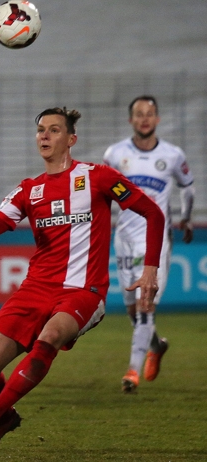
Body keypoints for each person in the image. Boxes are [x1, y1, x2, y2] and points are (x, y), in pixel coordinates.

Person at [0, 107, 164, 453]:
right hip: (36, 289)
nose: (45, 136)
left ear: (71, 139)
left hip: (85, 290)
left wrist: (150, 271)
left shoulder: (99, 177)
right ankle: (5, 417)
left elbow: (152, 213)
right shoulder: (29, 190)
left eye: (53, 130)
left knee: (49, 337)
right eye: (40, 130)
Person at [103, 95, 195, 393]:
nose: (144, 118)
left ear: (157, 119)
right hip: (125, 241)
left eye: (150, 113)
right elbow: (103, 193)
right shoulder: (115, 155)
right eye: (139, 114)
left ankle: (132, 371)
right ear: (131, 120)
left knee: (146, 306)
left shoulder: (172, 155)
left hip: (157, 242)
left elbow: (188, 188)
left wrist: (186, 218)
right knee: (133, 311)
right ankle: (156, 346)